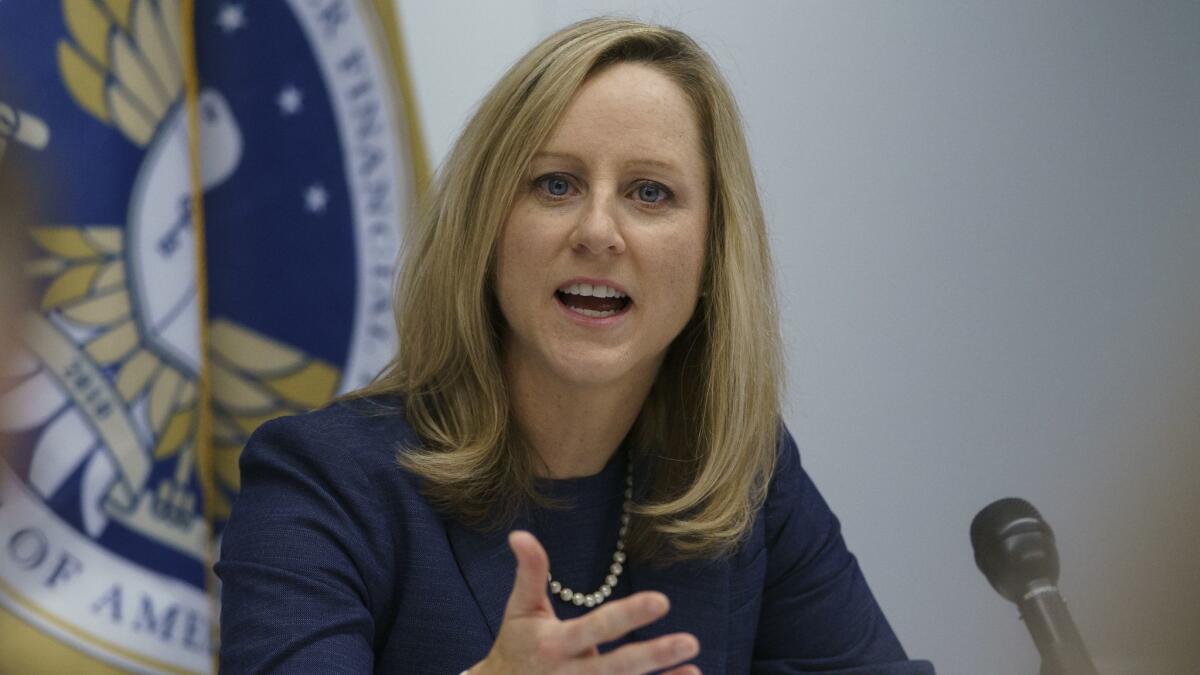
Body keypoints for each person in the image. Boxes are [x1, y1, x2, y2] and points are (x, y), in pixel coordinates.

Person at [217, 17, 934, 674]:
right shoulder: (323, 479)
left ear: (714, 253)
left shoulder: (745, 479)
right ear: (486, 230)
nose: (598, 230)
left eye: (650, 193)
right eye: (555, 185)